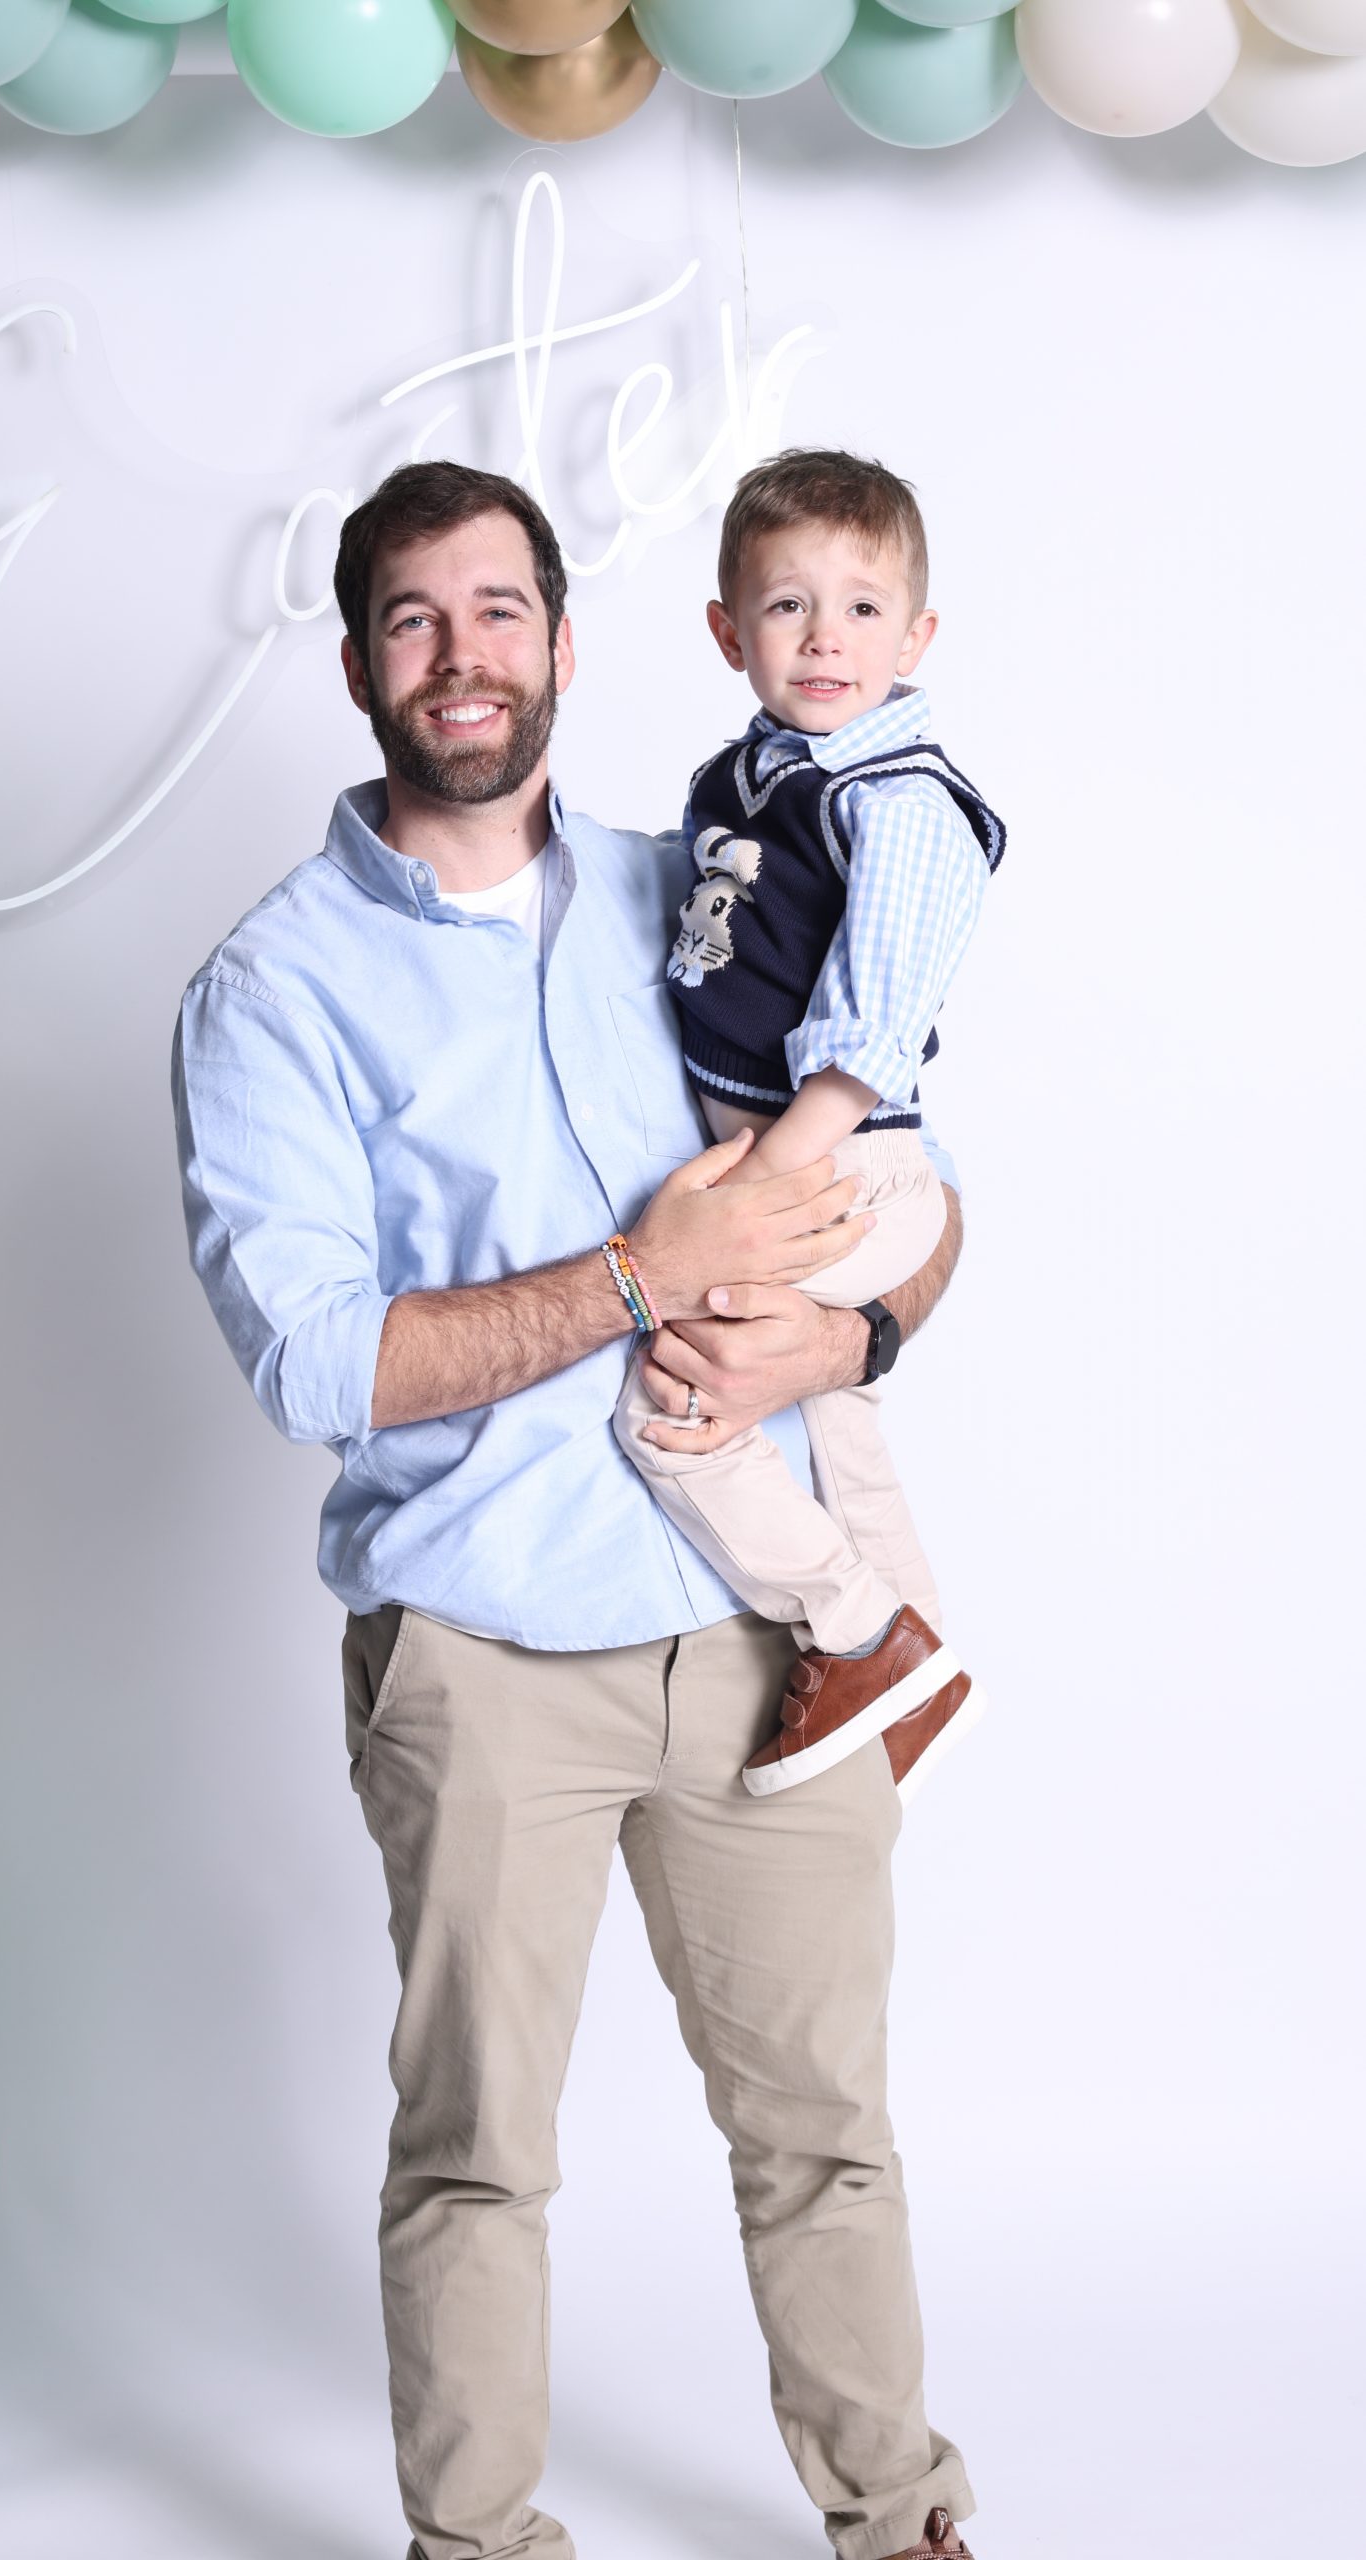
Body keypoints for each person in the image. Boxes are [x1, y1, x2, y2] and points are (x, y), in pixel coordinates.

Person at [172, 459, 981, 2560]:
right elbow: (314, 1365)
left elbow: (919, 1193)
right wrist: (638, 1275)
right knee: (475, 2156)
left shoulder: (698, 886)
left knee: (826, 2132)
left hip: (772, 1649)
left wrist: (844, 1339)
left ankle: (898, 2518)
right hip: (481, 1657)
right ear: (358, 661)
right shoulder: (273, 991)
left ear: (561, 639)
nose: (463, 656)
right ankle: (476, 2543)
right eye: (415, 618)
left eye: (500, 610)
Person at [614, 449, 1006, 1802]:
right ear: (730, 633)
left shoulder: (898, 808)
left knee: (676, 1398)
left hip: (841, 1162)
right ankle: (918, 1656)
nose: (826, 637)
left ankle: (851, 1632)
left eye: (862, 608)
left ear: (917, 637)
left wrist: (752, 1197)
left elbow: (862, 1049)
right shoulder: (746, 780)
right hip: (801, 1160)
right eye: (788, 606)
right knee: (834, 1409)